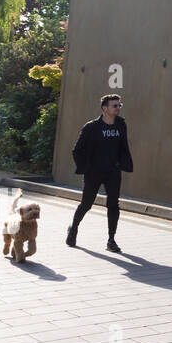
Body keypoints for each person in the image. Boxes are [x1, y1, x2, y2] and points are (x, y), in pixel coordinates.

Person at [66, 93, 134, 252]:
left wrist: (121, 163)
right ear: (104, 108)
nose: (118, 108)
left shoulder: (121, 125)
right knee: (86, 204)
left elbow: (123, 146)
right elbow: (77, 150)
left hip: (113, 172)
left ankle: (111, 240)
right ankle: (74, 228)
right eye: (114, 105)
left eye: (119, 105)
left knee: (113, 205)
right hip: (94, 172)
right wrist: (85, 168)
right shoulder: (92, 127)